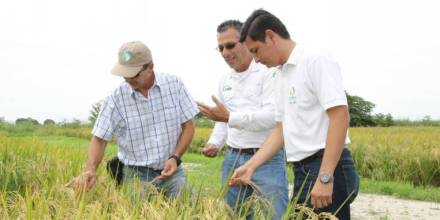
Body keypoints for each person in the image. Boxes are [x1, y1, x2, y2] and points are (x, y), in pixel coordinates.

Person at [229, 9, 360, 220]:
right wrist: (250, 166)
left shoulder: (315, 59)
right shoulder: (279, 75)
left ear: (271, 36)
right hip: (302, 170)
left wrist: (325, 177)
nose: (255, 59)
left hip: (327, 166)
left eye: (256, 50)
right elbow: (281, 129)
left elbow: (340, 116)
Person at [71, 41, 198, 199]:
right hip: (136, 175)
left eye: (134, 74)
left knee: (189, 208)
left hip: (172, 171)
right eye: (125, 75)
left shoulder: (174, 85)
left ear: (150, 67)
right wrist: (90, 169)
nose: (129, 79)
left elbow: (189, 126)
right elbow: (99, 138)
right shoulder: (115, 99)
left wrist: (175, 157)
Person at [197, 20, 288, 220]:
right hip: (233, 157)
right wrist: (214, 143)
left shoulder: (269, 72)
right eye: (220, 48)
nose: (225, 53)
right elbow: (223, 121)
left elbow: (273, 117)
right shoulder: (225, 80)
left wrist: (230, 117)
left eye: (230, 45)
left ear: (246, 42)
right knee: (235, 215)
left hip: (267, 158)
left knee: (273, 215)